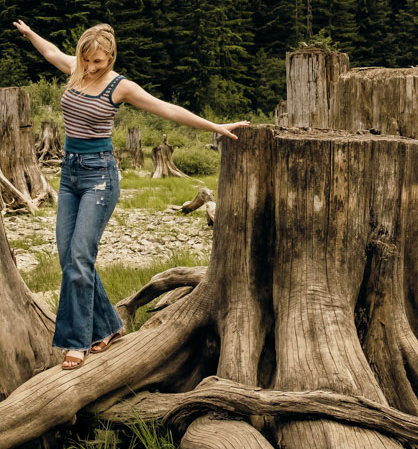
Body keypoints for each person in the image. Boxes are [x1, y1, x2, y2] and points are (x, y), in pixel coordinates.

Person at [13, 20, 247, 370]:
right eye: (87, 60)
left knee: (79, 256)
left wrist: (215, 126)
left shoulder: (120, 86)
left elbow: (167, 109)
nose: (92, 67)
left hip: (100, 177)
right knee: (70, 258)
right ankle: (109, 326)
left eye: (99, 61)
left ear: (110, 57)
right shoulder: (74, 70)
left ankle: (77, 342)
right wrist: (31, 34)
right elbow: (49, 52)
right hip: (69, 174)